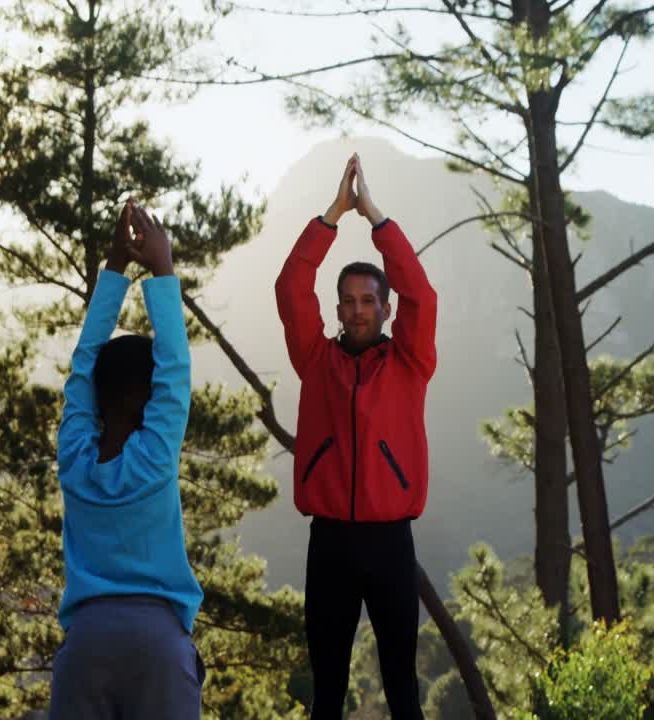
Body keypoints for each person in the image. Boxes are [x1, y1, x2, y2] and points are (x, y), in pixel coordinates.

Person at [275, 153, 437, 719]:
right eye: (349, 301)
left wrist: (374, 217)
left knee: (403, 692)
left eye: (369, 300)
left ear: (387, 309)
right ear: (338, 310)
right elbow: (291, 286)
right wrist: (333, 215)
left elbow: (423, 296)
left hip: (391, 544)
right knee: (327, 696)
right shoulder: (316, 360)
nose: (359, 310)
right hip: (330, 544)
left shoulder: (411, 362)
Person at [50, 199, 204, 719]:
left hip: (85, 647)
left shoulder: (74, 458)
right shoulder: (155, 457)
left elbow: (83, 363)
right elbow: (175, 365)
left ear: (95, 397)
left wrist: (115, 266)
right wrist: (162, 268)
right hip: (159, 647)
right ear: (152, 397)